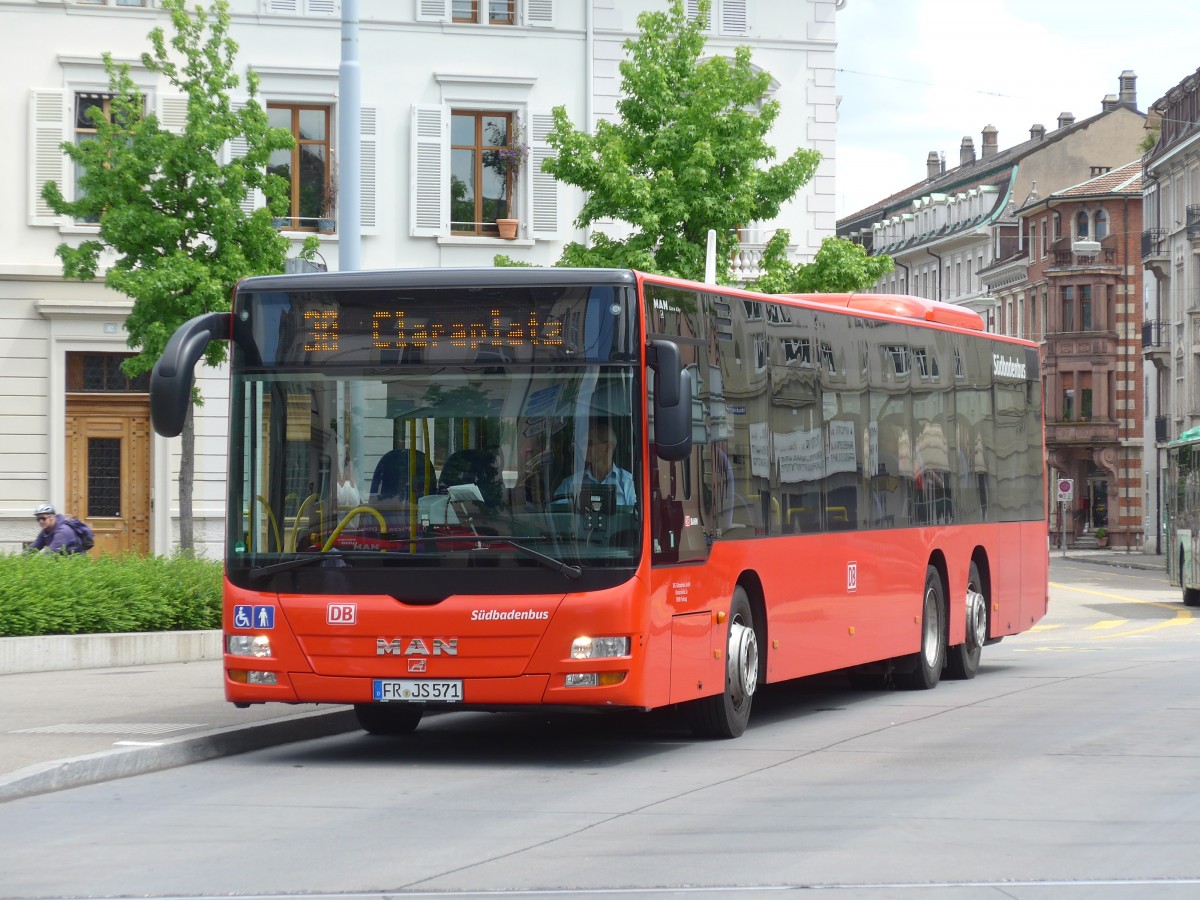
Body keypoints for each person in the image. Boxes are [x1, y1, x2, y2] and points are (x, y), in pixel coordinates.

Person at [554, 419, 636, 507]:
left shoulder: (628, 483)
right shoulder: (569, 484)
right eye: (582, 443)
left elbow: (638, 517)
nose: (582, 448)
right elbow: (557, 517)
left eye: (589, 443)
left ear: (607, 448)